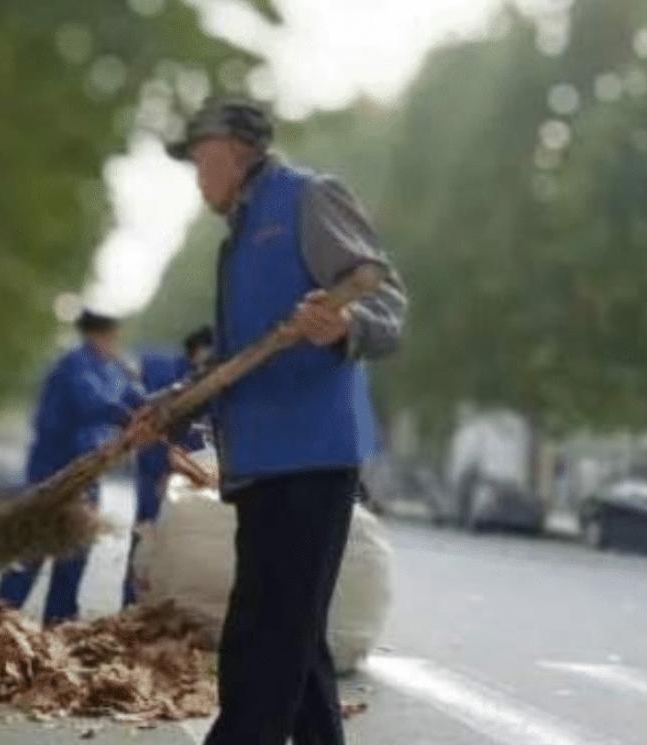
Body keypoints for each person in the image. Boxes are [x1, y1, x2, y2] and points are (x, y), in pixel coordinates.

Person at [163, 98, 407, 744]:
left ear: (236, 149)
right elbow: (238, 360)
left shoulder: (306, 199)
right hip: (260, 465)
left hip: (311, 459)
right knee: (293, 642)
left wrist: (345, 323)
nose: (195, 173)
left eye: (200, 157)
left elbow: (385, 303)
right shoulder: (237, 240)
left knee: (262, 644)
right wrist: (178, 402)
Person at [0, 309, 144, 625]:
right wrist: (126, 412)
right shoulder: (75, 365)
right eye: (112, 336)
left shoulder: (112, 367)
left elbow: (135, 398)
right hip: (53, 469)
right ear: (96, 335)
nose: (115, 342)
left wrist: (156, 403)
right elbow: (93, 403)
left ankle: (59, 619)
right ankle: (0, 614)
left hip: (87, 472)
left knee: (76, 545)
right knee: (34, 544)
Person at [123, 326, 215, 607]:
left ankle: (182, 611)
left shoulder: (221, 379)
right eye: (205, 357)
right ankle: (134, 608)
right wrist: (165, 470)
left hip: (201, 480)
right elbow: (132, 400)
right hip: (157, 475)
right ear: (194, 352)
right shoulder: (164, 373)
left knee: (195, 545)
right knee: (148, 538)